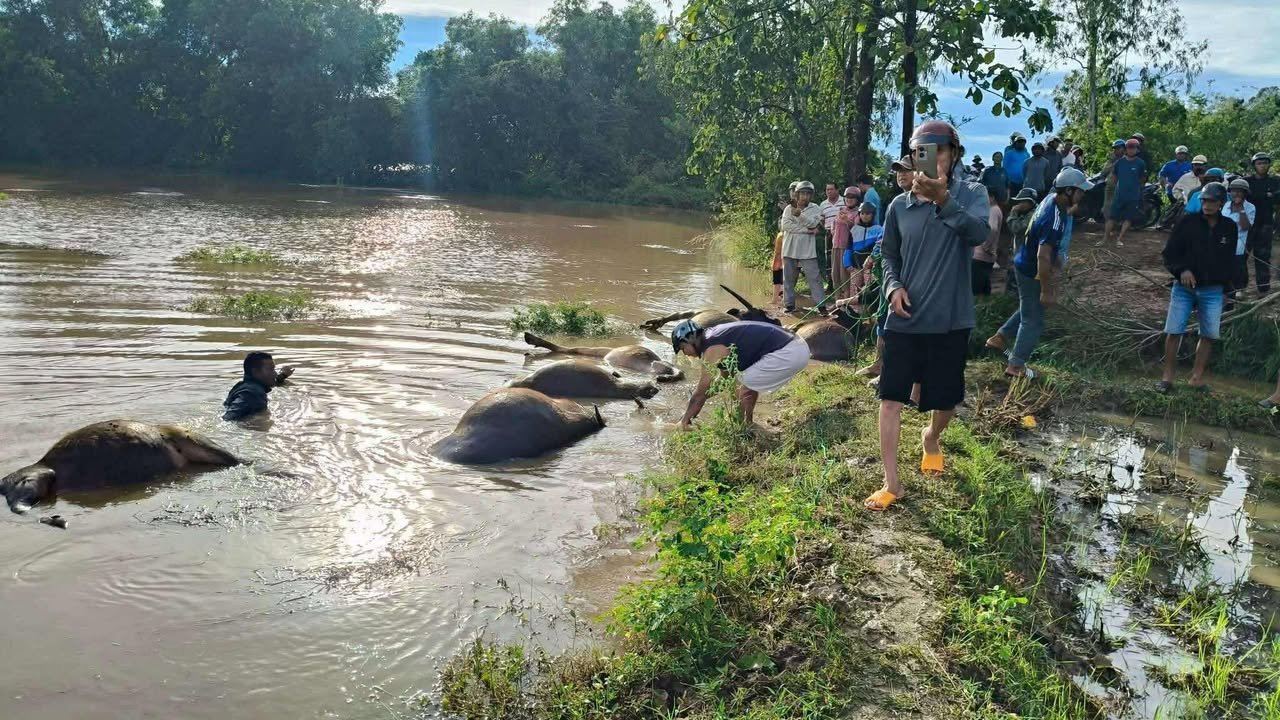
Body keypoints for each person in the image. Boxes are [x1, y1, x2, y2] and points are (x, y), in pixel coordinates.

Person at [868, 120, 989, 512]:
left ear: (954, 155)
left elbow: (979, 235)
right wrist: (892, 287)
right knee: (890, 398)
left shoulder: (972, 194)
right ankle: (892, 482)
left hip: (951, 319)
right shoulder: (899, 206)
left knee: (945, 399)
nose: (931, 160)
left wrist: (943, 201)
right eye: (922, 153)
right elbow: (889, 254)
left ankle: (931, 436)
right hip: (904, 318)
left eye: (939, 152)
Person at [986, 168, 1093, 379]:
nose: (1082, 195)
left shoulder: (1051, 199)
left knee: (1029, 307)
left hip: (1023, 263)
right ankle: (1016, 366)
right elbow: (1043, 257)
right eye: (1080, 191)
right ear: (1069, 191)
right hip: (1031, 270)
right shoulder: (1053, 219)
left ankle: (1000, 337)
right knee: (1034, 320)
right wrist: (1046, 289)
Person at [1157, 181, 1237, 393]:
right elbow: (1169, 253)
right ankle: (1167, 378)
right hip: (1184, 288)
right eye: (1204, 201)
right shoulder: (1187, 222)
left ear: (1221, 203)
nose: (1207, 205)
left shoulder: (1229, 227)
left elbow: (1231, 261)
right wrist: (1182, 270)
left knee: (1208, 334)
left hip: (1213, 289)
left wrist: (1228, 289)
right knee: (1174, 330)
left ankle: (1196, 377)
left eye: (1212, 201)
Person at [672, 319, 810, 429]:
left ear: (691, 339)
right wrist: (701, 399)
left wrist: (684, 421)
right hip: (797, 346)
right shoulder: (715, 337)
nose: (685, 354)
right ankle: (741, 422)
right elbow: (723, 380)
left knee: (742, 385)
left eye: (683, 348)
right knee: (738, 382)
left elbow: (701, 392)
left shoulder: (711, 349)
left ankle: (745, 427)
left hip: (790, 351)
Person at [780, 180, 826, 314]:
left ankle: (821, 306)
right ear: (797, 194)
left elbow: (813, 224)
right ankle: (789, 305)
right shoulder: (788, 209)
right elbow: (786, 226)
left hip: (807, 250)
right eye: (802, 193)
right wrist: (806, 230)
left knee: (814, 277)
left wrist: (800, 215)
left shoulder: (815, 208)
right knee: (788, 278)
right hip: (790, 248)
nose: (805, 196)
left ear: (811, 195)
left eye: (808, 194)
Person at [223, 352, 295, 421]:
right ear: (256, 372)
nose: (275, 374)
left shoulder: (246, 385)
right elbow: (229, 417)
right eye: (270, 369)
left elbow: (270, 384)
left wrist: (282, 376)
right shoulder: (251, 393)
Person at [1103, 138, 1147, 248]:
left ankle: (1119, 239)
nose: (1131, 150)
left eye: (1133, 148)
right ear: (1126, 149)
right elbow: (1114, 177)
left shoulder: (1141, 163)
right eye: (1129, 148)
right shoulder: (1119, 162)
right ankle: (1104, 239)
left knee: (1128, 218)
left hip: (1133, 196)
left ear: (1137, 149)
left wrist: (1136, 187)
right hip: (1119, 195)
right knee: (1112, 217)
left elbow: (1143, 178)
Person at [1245, 152, 1278, 295]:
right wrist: (1266, 195)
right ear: (1254, 166)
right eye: (1259, 163)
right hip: (1246, 224)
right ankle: (1239, 287)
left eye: (1265, 163)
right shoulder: (1247, 181)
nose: (1262, 166)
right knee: (1241, 256)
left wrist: (1268, 196)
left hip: (1266, 224)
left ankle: (1263, 289)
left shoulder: (1275, 181)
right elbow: (1243, 195)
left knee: (1263, 257)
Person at [846, 201, 882, 309]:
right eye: (862, 213)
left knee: (870, 291)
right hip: (856, 267)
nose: (865, 216)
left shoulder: (879, 230)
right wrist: (847, 263)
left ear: (873, 214)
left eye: (868, 213)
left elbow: (880, 249)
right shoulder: (854, 229)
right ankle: (855, 313)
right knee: (854, 291)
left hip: (870, 268)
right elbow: (848, 248)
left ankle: (871, 313)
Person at [1223, 178, 1255, 297]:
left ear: (1245, 194)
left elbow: (1246, 227)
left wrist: (1241, 209)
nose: (1236, 194)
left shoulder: (1250, 207)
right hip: (1224, 239)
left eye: (1239, 191)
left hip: (1240, 240)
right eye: (1233, 191)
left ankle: (1239, 288)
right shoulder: (1226, 204)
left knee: (1238, 265)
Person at [831, 187, 860, 300]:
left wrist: (847, 220)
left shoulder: (857, 213)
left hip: (847, 248)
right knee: (835, 275)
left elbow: (857, 230)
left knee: (845, 277)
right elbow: (834, 226)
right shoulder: (841, 211)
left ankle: (845, 303)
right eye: (847, 197)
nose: (849, 199)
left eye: (852, 197)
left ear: (857, 199)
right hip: (836, 247)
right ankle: (837, 301)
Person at [972, 188, 1002, 295]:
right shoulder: (992, 209)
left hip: (981, 256)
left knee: (976, 288)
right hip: (984, 256)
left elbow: (993, 229)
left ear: (992, 197)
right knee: (984, 287)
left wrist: (986, 246)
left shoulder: (993, 210)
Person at [1101, 139, 1125, 223]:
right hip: (1111, 186)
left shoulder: (1127, 159)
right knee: (1107, 207)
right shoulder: (1112, 159)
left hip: (1122, 187)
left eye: (1118, 148)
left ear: (1124, 148)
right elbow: (1104, 171)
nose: (1116, 150)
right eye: (1115, 148)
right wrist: (1115, 163)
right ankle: (1108, 224)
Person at [771, 231, 784, 304]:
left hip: (780, 262)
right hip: (786, 262)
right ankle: (777, 299)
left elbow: (777, 252)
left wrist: (774, 263)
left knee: (777, 282)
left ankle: (775, 300)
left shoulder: (781, 236)